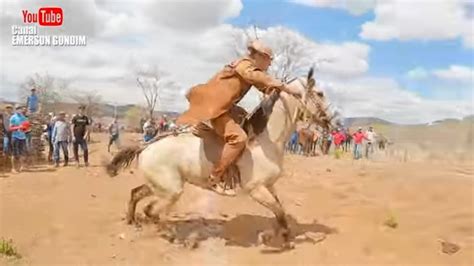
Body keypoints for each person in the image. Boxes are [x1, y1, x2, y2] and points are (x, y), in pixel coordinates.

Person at [176, 39, 302, 195]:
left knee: (243, 117)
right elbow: (256, 77)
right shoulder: (244, 65)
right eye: (269, 60)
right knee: (239, 138)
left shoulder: (249, 69)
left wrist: (278, 93)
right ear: (260, 57)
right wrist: (285, 87)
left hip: (221, 107)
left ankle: (223, 154)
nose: (269, 65)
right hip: (215, 108)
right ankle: (215, 177)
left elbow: (263, 86)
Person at [9, 104, 28, 173]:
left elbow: (26, 127)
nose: (19, 110)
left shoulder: (23, 117)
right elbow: (10, 128)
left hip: (22, 137)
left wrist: (25, 129)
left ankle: (22, 166)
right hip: (15, 137)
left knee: (22, 152)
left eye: (20, 108)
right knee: (14, 153)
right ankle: (13, 168)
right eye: (17, 108)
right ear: (15, 109)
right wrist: (18, 128)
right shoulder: (13, 117)